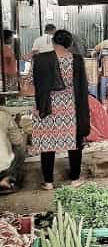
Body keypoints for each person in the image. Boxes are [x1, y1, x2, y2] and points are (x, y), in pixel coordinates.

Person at [32, 30, 90, 191]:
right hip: (70, 106)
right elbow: (83, 84)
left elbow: (32, 83)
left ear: (52, 42)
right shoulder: (76, 60)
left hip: (46, 106)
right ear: (70, 43)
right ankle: (75, 179)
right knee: (73, 142)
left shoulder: (40, 59)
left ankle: (49, 182)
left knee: (47, 143)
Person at [0, 109, 25, 193]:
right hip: (3, 166)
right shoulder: (4, 115)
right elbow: (17, 141)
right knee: (20, 146)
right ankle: (8, 178)